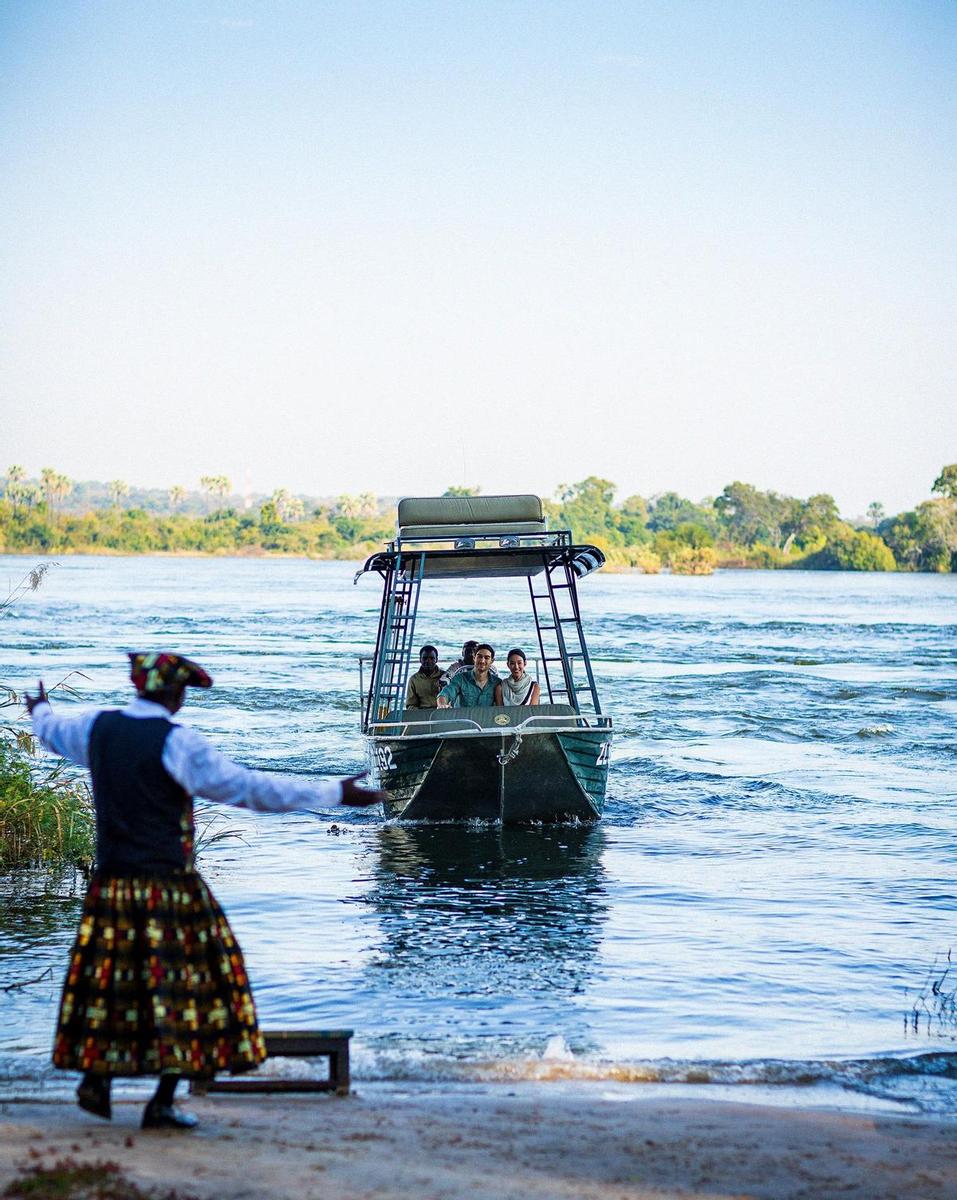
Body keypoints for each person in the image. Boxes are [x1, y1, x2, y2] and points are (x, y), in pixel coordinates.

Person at [24, 652, 384, 1132]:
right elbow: (250, 789)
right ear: (175, 694)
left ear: (139, 688)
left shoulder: (97, 729)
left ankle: (97, 1078)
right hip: (169, 888)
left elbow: (51, 732)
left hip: (110, 886)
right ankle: (161, 1101)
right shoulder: (178, 743)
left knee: (111, 982)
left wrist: (39, 708)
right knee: (191, 988)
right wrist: (333, 793)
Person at [436, 644, 497, 708]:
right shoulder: (460, 678)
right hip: (462, 717)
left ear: (492, 661)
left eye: (486, 658)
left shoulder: (497, 683)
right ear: (474, 658)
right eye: (479, 657)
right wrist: (442, 705)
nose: (482, 661)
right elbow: (446, 693)